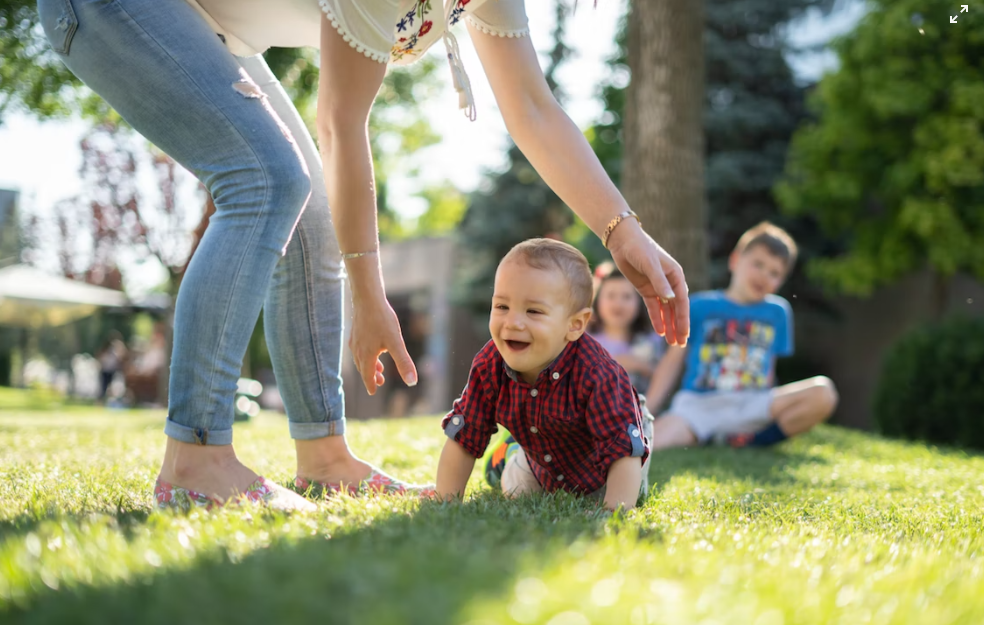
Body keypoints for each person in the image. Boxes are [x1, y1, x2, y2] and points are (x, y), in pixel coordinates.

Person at [37, 0, 688, 512]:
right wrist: (368, 294)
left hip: (202, 23)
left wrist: (621, 230)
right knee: (268, 178)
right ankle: (196, 460)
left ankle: (323, 456)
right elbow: (341, 122)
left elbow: (532, 109)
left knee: (310, 200)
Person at [435, 239, 654, 511]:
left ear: (574, 325)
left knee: (620, 494)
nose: (513, 323)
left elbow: (622, 449)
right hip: (542, 459)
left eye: (533, 311)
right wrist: (445, 500)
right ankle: (509, 456)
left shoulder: (599, 373)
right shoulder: (489, 364)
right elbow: (464, 435)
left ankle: (511, 452)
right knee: (517, 491)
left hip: (608, 459)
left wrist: (616, 513)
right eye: (502, 306)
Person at [646, 222, 838, 449]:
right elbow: (672, 362)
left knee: (824, 393)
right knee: (650, 442)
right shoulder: (699, 306)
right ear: (735, 260)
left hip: (752, 404)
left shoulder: (778, 312)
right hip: (699, 406)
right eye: (758, 264)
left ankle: (752, 441)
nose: (764, 276)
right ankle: (712, 435)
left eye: (775, 273)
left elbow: (770, 368)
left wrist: (768, 405)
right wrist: (647, 410)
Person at [588, 263, 667, 393]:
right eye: (611, 296)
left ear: (640, 302)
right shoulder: (586, 339)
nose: (618, 304)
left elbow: (663, 376)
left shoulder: (652, 339)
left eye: (627, 296)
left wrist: (640, 365)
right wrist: (617, 363)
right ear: (597, 300)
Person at [96, 330, 128, 403]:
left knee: (116, 386)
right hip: (106, 369)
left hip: (114, 370)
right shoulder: (106, 347)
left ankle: (115, 401)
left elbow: (122, 357)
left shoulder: (119, 346)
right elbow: (100, 356)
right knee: (104, 386)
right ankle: (101, 400)